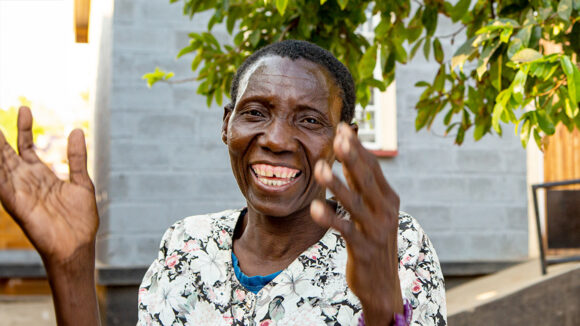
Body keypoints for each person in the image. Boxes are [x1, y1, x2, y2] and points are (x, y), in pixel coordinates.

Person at [0, 40, 446, 325]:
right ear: (226, 124)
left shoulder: (392, 244)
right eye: (255, 112)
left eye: (309, 120)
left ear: (343, 139)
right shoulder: (186, 245)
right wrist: (73, 267)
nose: (274, 139)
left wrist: (384, 312)